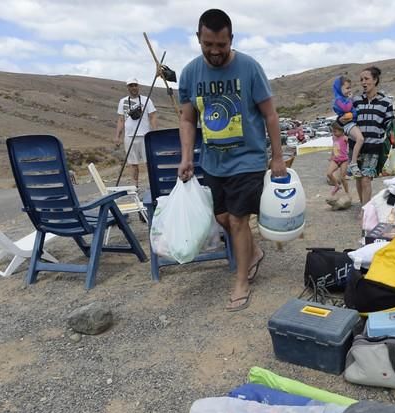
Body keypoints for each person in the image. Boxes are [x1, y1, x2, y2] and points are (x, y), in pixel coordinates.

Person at [177, 9, 286, 312]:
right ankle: (252, 253)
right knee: (222, 217)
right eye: (208, 44)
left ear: (231, 39)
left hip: (247, 159)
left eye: (221, 45)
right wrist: (187, 157)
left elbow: (270, 115)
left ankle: (241, 280)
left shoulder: (250, 68)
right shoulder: (189, 73)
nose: (214, 51)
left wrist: (276, 157)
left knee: (239, 220)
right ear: (199, 38)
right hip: (212, 161)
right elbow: (187, 119)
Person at [347, 66, 395, 206]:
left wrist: (394, 130)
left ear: (375, 80)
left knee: (366, 179)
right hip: (355, 146)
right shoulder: (355, 101)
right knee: (358, 178)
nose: (363, 82)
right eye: (361, 79)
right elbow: (348, 119)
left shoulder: (385, 102)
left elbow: (388, 122)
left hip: (374, 147)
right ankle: (363, 205)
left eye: (366, 79)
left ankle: (365, 210)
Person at [115, 78, 158, 188]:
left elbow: (152, 116)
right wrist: (118, 136)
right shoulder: (123, 101)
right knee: (132, 163)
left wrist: (155, 133)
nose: (134, 87)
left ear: (138, 86)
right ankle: (135, 186)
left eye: (135, 85)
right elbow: (121, 119)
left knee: (149, 162)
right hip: (129, 136)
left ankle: (153, 184)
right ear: (127, 87)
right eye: (131, 85)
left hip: (145, 135)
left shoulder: (146, 100)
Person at [331, 76, 364, 176]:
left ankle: (352, 162)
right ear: (339, 88)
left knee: (355, 143)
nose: (349, 90)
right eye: (347, 88)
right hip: (349, 124)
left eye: (350, 88)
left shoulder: (343, 98)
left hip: (353, 123)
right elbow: (346, 108)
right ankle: (353, 163)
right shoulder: (338, 100)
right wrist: (350, 100)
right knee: (360, 139)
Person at [325, 122, 350, 202]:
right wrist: (331, 156)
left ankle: (347, 192)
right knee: (329, 173)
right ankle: (336, 186)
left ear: (341, 131)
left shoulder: (345, 138)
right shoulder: (334, 138)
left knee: (343, 178)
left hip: (344, 160)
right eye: (333, 131)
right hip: (335, 159)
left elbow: (351, 145)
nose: (334, 133)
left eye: (335, 131)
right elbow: (334, 146)